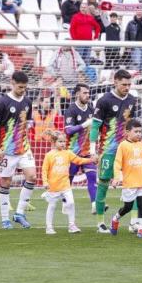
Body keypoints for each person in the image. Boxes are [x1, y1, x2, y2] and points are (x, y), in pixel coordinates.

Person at [89, 69, 138, 234]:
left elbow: (134, 126)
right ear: (115, 82)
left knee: (134, 184)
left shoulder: (132, 100)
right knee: (103, 184)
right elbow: (95, 126)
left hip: (127, 149)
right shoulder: (104, 100)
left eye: (129, 84)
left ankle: (134, 222)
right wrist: (92, 150)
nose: (127, 87)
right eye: (124, 84)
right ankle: (100, 223)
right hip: (108, 150)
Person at [0, 71, 36, 229]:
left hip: (23, 148)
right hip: (6, 150)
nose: (22, 90)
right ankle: (5, 219)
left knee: (32, 176)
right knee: (5, 182)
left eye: (24, 87)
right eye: (20, 87)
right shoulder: (2, 101)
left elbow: (28, 123)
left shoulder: (28, 102)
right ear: (12, 83)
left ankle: (19, 213)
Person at [110, 119, 142, 238]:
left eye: (140, 131)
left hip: (141, 182)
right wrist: (116, 178)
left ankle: (141, 229)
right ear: (127, 132)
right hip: (129, 183)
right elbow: (117, 163)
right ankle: (115, 218)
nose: (139, 134)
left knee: (141, 204)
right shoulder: (123, 146)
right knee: (127, 207)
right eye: (136, 131)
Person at [42, 130, 97, 235]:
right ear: (54, 142)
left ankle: (72, 225)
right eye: (60, 141)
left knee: (71, 203)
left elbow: (79, 160)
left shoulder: (68, 153)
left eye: (64, 141)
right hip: (53, 186)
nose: (63, 144)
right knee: (52, 206)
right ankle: (49, 227)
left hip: (65, 186)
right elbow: (44, 170)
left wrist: (90, 160)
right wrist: (45, 182)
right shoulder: (49, 155)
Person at [64, 83, 97, 212]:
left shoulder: (91, 109)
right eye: (84, 93)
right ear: (77, 94)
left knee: (92, 177)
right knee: (69, 179)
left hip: (87, 150)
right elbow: (68, 131)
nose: (87, 95)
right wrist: (84, 124)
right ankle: (64, 202)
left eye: (88, 93)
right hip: (73, 151)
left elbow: (94, 130)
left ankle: (95, 205)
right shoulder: (71, 110)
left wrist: (93, 150)